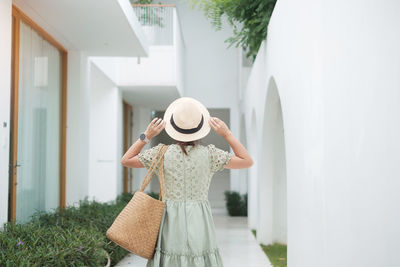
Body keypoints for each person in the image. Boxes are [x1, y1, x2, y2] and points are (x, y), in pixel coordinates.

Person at [120, 97, 254, 267]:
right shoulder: (211, 155)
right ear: (200, 128)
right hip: (199, 217)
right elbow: (247, 161)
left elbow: (126, 160)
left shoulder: (161, 152)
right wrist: (227, 134)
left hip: (170, 219)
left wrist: (146, 136)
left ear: (173, 127)